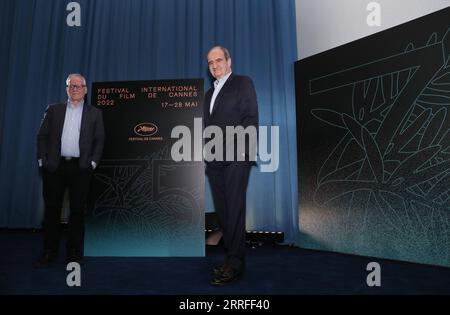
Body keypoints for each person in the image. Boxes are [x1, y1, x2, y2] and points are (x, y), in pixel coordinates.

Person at [34, 73, 105, 268]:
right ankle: (50, 251)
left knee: (77, 211)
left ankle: (73, 252)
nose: (75, 89)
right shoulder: (53, 110)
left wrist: (92, 163)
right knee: (52, 210)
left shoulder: (95, 113)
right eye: (71, 85)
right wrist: (43, 161)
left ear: (85, 89)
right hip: (54, 168)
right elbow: (42, 137)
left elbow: (99, 140)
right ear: (66, 89)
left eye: (78, 85)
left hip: (81, 169)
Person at [204, 46, 259, 285]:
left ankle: (235, 265)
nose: (214, 65)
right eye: (210, 63)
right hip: (215, 161)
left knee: (235, 211)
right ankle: (231, 259)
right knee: (224, 213)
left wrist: (245, 153)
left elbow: (250, 118)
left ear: (228, 61)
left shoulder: (242, 83)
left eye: (218, 60)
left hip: (237, 157)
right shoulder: (209, 94)